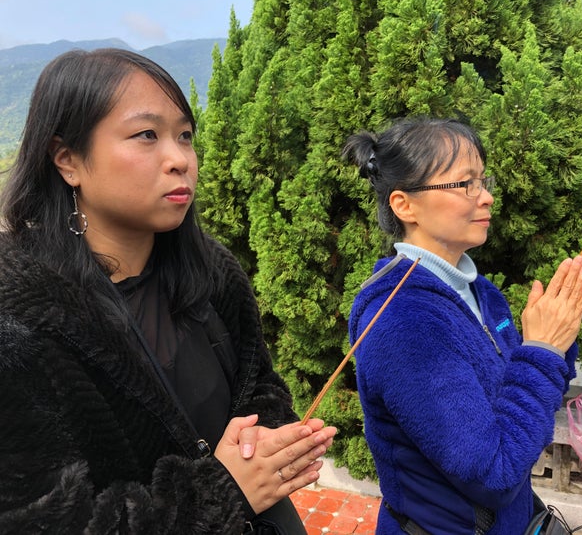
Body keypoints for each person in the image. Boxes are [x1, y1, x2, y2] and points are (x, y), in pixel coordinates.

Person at [0, 48, 336, 533]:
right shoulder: (21, 322)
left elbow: (259, 383)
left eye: (184, 136)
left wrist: (268, 442)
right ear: (67, 159)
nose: (180, 160)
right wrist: (221, 493)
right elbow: (38, 520)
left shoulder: (212, 271)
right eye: (146, 135)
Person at [343, 117, 582, 535]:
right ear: (404, 205)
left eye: (483, 180)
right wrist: (542, 351)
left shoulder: (481, 291)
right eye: (465, 184)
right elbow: (492, 474)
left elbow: (524, 402)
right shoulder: (401, 322)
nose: (487, 197)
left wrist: (555, 342)